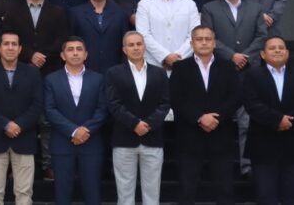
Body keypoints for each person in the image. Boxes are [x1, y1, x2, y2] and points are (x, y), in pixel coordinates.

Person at [2, 0, 67, 178]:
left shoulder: (58, 11)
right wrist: (29, 55)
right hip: (21, 69)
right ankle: (17, 165)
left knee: (48, 120)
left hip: (51, 70)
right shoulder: (12, 12)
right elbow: (9, 38)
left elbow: (62, 40)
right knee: (20, 117)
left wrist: (42, 55)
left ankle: (49, 164)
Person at [201, 0, 267, 175]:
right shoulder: (210, 8)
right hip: (221, 70)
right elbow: (209, 36)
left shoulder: (255, 8)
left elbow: (262, 36)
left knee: (247, 121)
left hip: (249, 71)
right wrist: (232, 56)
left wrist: (245, 56)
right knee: (219, 120)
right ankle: (217, 167)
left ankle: (246, 164)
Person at [170, 25, 242, 205]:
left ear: (214, 43)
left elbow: (236, 96)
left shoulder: (227, 66)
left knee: (225, 189)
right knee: (187, 190)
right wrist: (199, 117)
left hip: (221, 133)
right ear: (191, 43)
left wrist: (216, 117)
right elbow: (175, 98)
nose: (203, 42)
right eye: (199, 39)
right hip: (189, 135)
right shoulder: (180, 67)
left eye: (207, 39)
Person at [0, 31, 44, 205]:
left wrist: (18, 125)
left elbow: (37, 105)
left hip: (24, 138)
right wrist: (5, 125)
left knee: (24, 193)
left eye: (14, 44)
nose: (10, 47)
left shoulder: (32, 73)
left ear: (20, 49)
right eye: (6, 44)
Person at [243, 36, 294, 205]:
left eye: (281, 47)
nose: (278, 50)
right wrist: (277, 119)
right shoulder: (253, 75)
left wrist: (289, 121)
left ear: (287, 53)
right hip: (263, 143)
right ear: (263, 54)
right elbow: (251, 104)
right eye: (272, 48)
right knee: (266, 196)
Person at [105, 31, 170, 205]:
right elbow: (113, 104)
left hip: (153, 138)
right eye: (131, 45)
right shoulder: (114, 73)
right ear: (124, 49)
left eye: (138, 44)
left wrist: (148, 124)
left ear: (145, 47)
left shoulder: (159, 73)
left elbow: (165, 104)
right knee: (125, 194)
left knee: (152, 193)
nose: (135, 48)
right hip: (124, 139)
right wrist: (134, 124)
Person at [44, 36, 108, 205]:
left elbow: (102, 109)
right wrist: (73, 130)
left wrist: (85, 130)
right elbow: (50, 109)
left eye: (79, 49)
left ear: (86, 54)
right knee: (62, 194)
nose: (75, 53)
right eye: (70, 49)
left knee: (92, 192)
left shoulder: (98, 79)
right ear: (63, 55)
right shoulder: (51, 79)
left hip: (91, 143)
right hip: (62, 143)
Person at [136, 0, 200, 71]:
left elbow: (195, 34)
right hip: (154, 64)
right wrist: (165, 56)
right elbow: (143, 35)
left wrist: (178, 57)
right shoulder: (145, 4)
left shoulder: (189, 4)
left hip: (184, 62)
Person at [69, 0, 129, 74]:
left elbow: (125, 43)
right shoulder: (75, 13)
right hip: (85, 70)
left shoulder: (120, 13)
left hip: (115, 70)